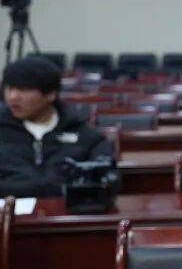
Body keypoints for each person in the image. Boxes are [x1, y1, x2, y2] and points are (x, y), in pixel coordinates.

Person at [0, 57, 113, 197]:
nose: (12, 97)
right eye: (9, 88)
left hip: (65, 209)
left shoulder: (88, 137)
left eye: (23, 89)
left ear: (51, 94)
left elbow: (106, 182)